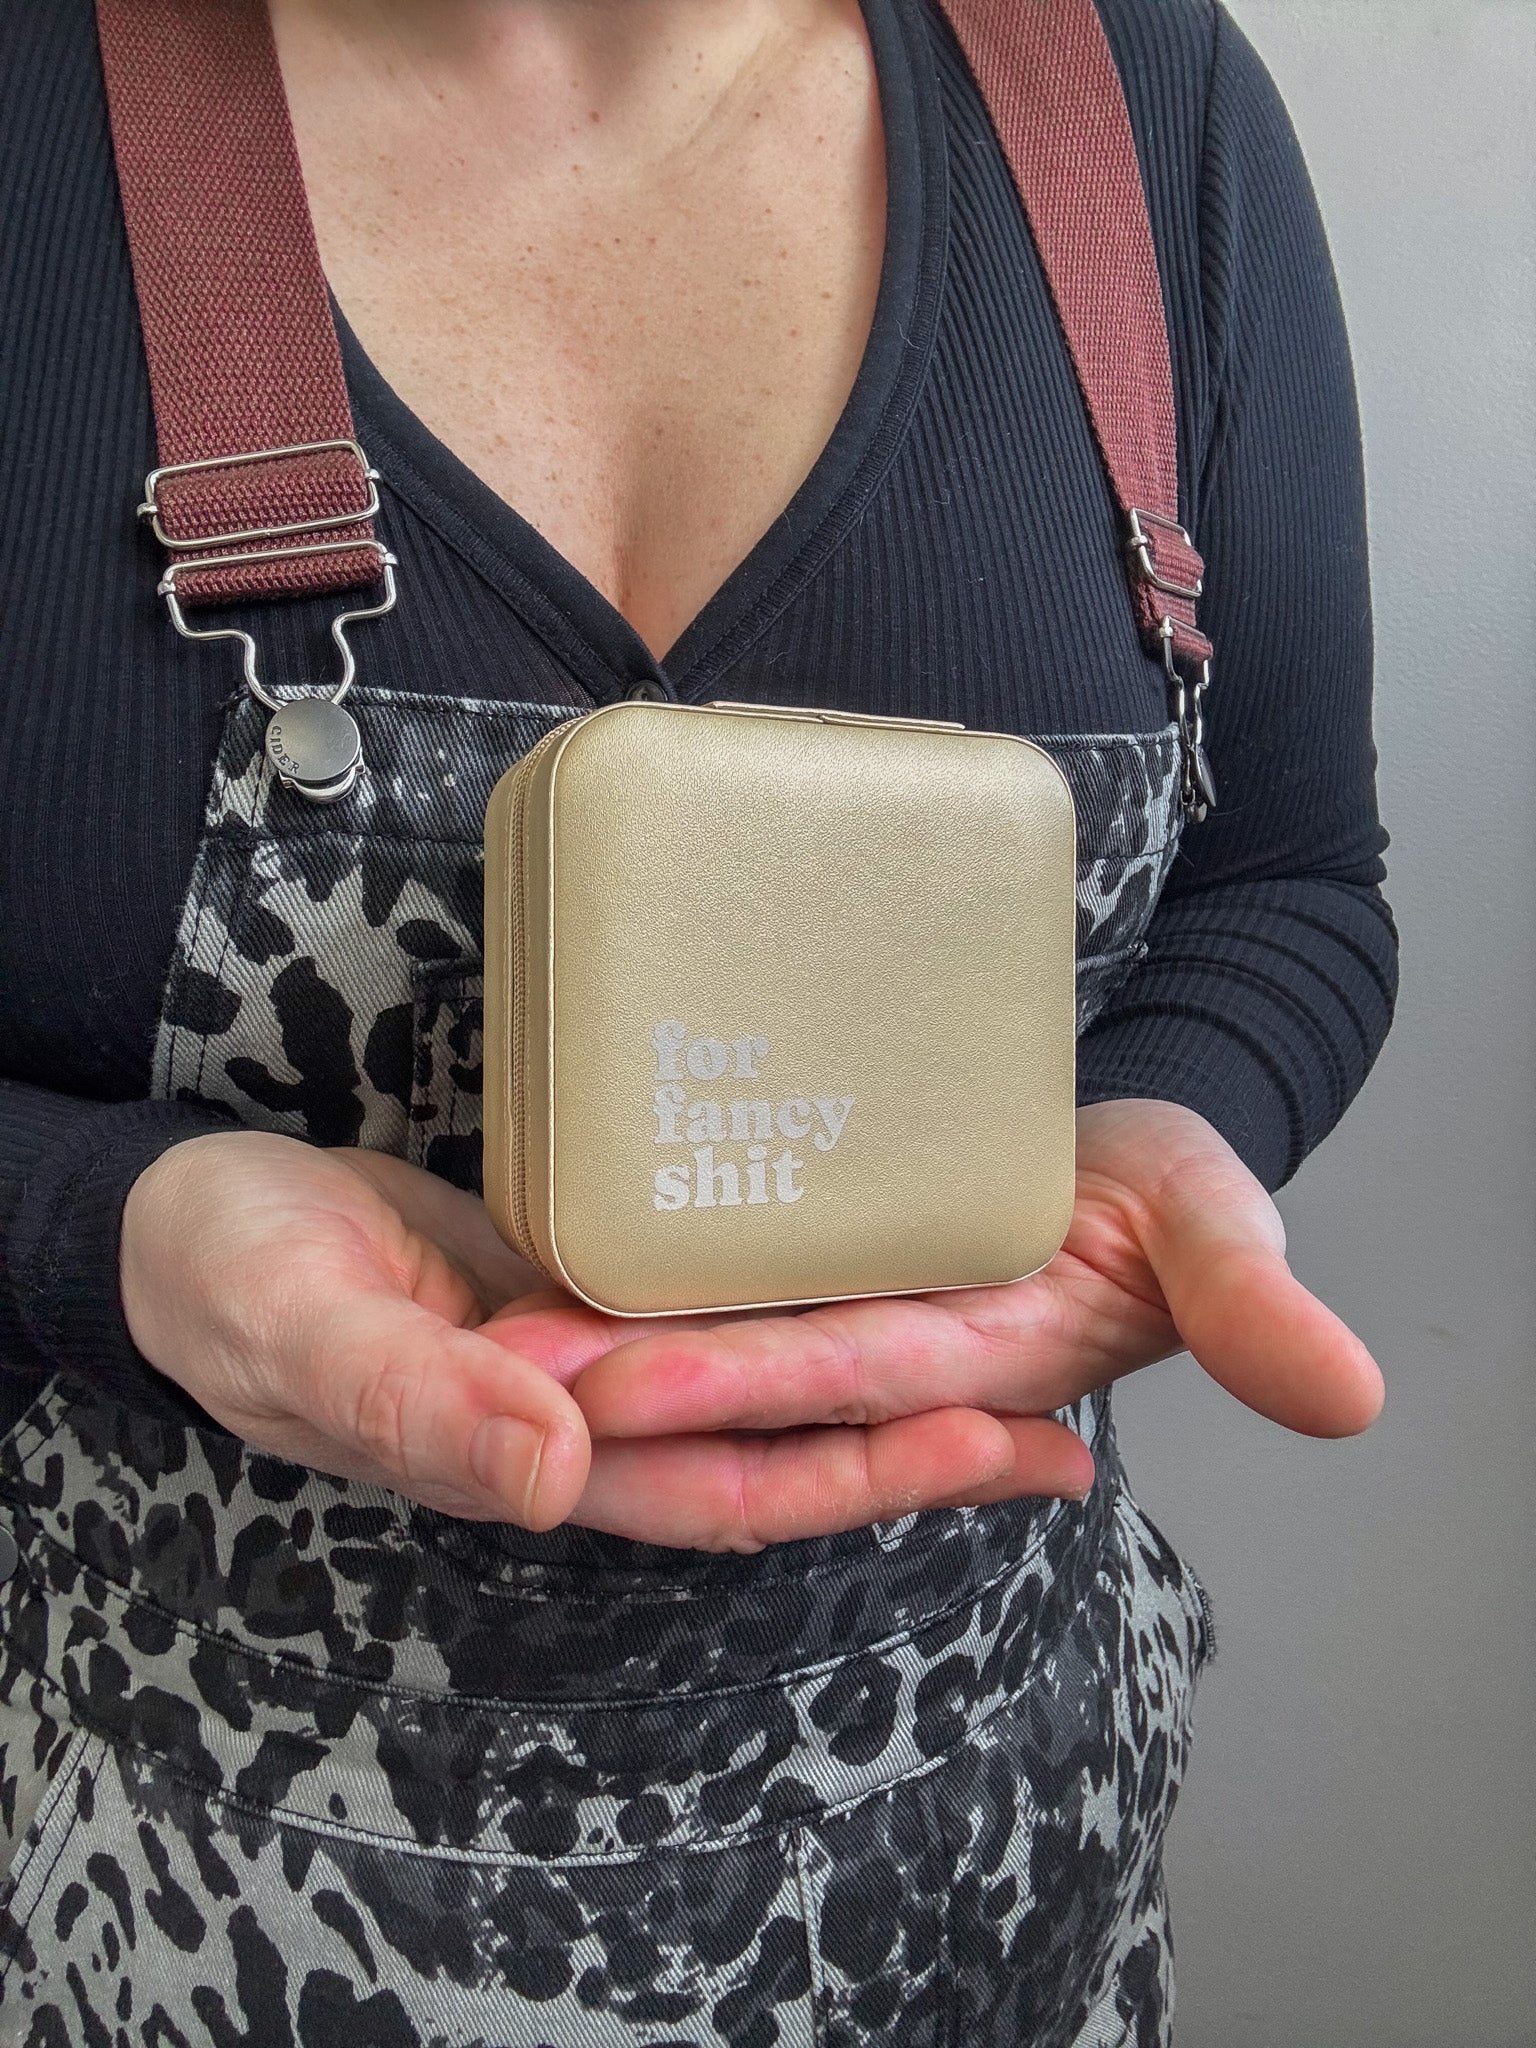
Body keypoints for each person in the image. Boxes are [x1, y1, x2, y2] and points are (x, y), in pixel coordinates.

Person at [0, 0, 1395, 2039]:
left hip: (991, 1881)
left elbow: (1287, 880)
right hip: (149, 1897)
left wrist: (1172, 1128)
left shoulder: (1144, 107)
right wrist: (110, 1238)